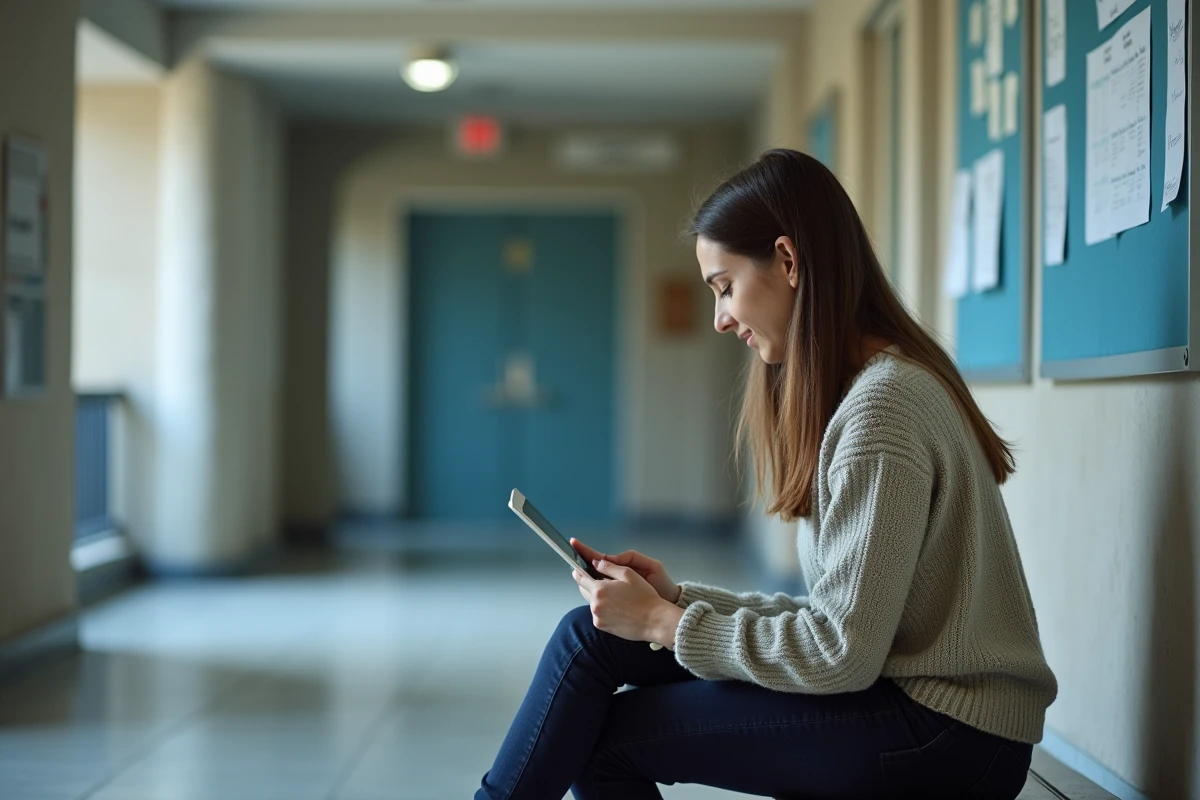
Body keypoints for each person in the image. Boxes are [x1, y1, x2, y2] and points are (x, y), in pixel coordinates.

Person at [475, 148, 1057, 800]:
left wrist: (666, 626)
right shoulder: (875, 390)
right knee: (591, 634)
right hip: (921, 706)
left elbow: (839, 652)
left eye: (724, 287)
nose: (721, 318)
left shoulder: (882, 411)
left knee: (605, 742)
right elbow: (841, 622)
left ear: (787, 260)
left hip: (950, 733)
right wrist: (677, 601)